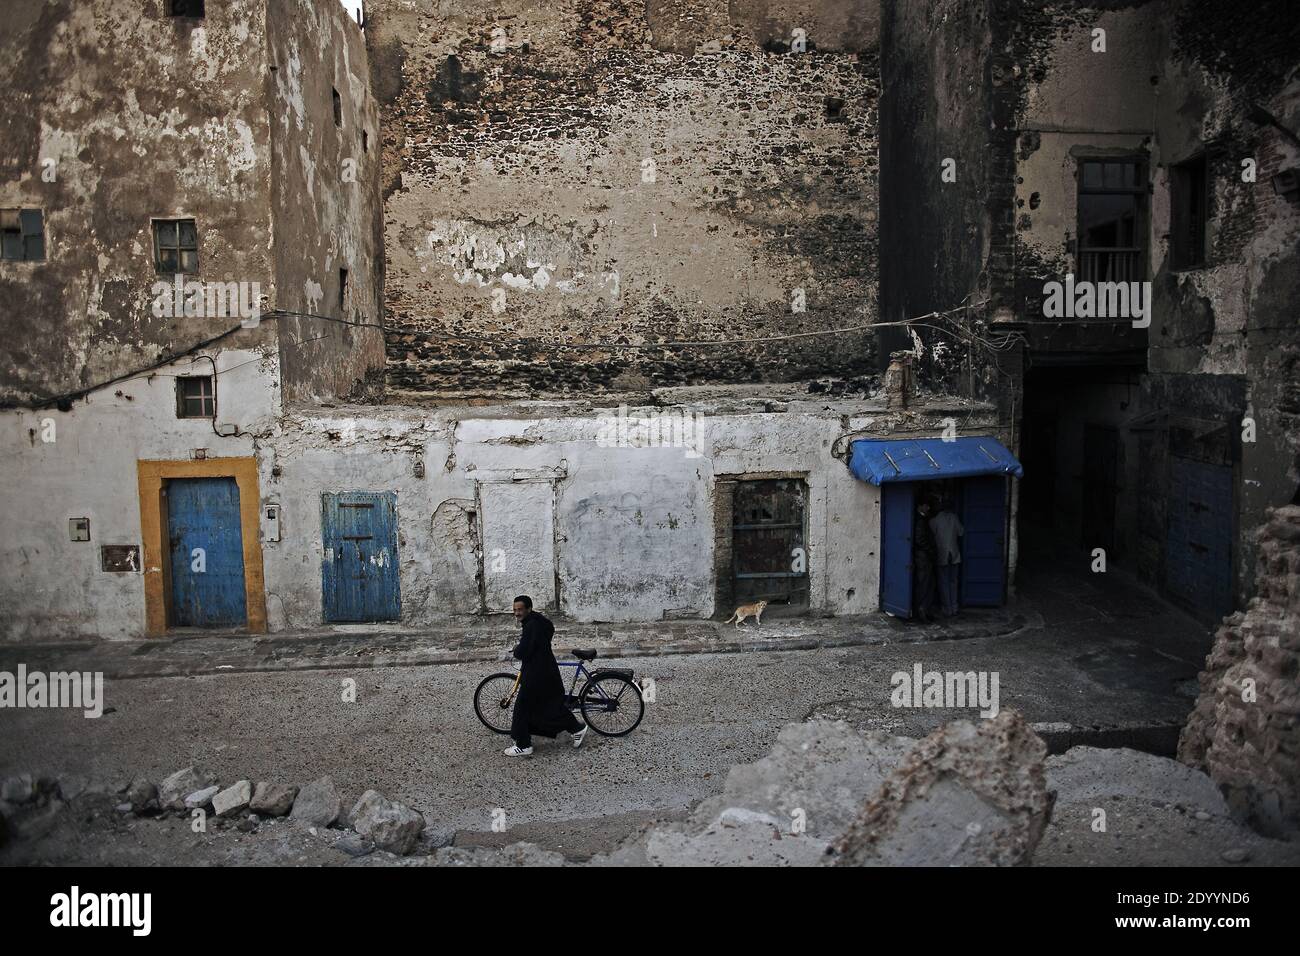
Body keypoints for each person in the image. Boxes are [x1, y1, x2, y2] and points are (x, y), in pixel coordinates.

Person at [504, 595, 587, 757]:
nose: (517, 613)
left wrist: (517, 650)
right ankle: (576, 729)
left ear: (529, 609)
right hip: (545, 670)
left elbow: (524, 650)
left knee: (522, 708)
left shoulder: (531, 625)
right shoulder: (539, 620)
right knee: (548, 707)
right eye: (514, 610)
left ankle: (523, 745)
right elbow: (543, 635)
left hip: (536, 674)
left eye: (520, 609)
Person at [930, 498, 965, 617]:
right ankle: (954, 607)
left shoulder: (934, 520)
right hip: (954, 554)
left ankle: (947, 608)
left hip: (942, 554)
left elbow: (932, 535)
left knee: (943, 582)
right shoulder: (955, 518)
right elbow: (961, 532)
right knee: (953, 581)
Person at [912, 497, 938, 623]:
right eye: (926, 505)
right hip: (923, 557)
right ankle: (921, 612)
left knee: (927, 584)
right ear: (920, 506)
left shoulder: (921, 519)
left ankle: (924, 610)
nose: (928, 508)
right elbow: (920, 539)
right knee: (924, 584)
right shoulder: (920, 520)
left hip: (923, 556)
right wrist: (931, 550)